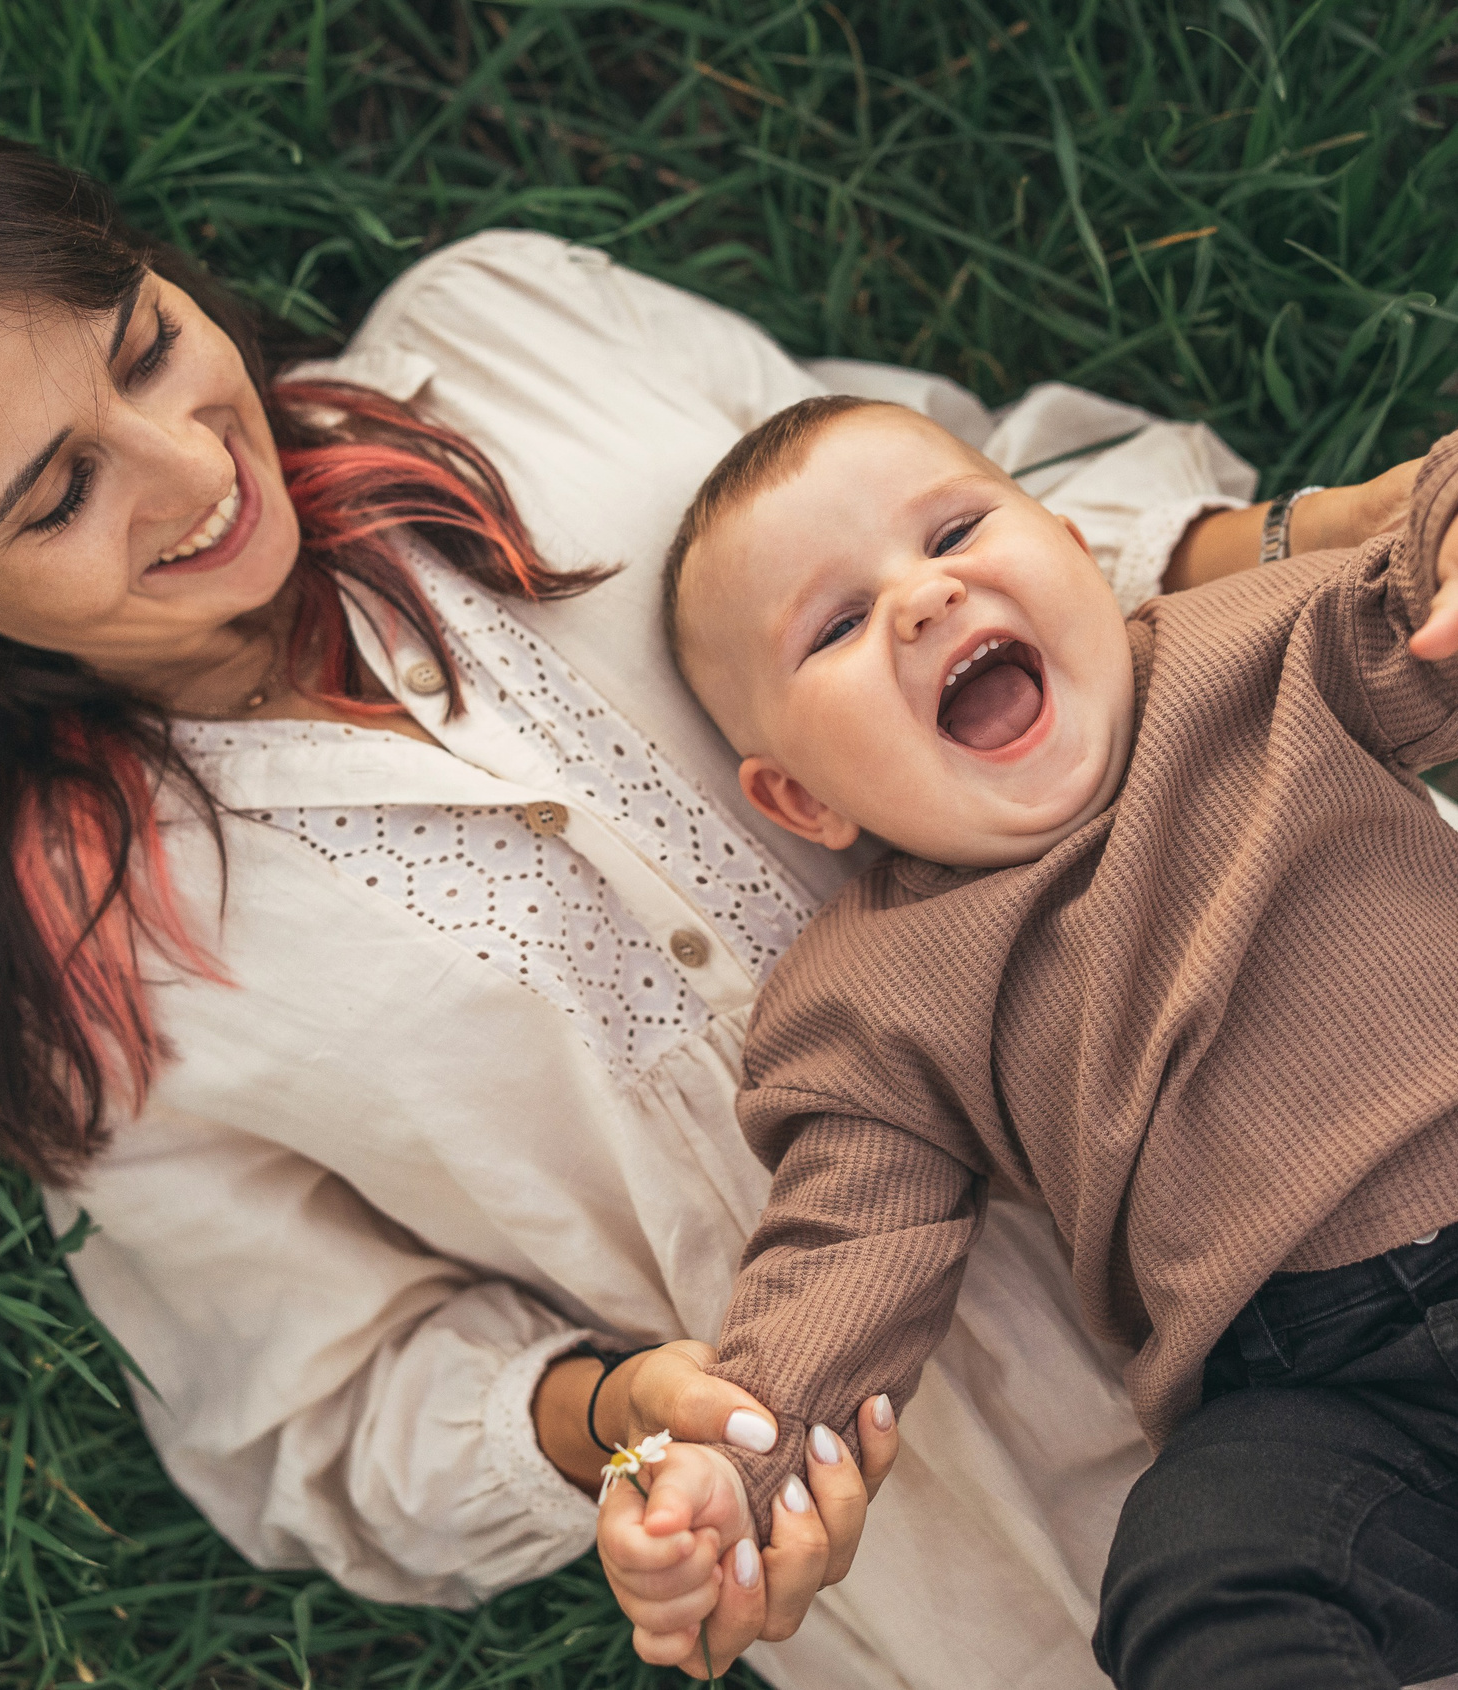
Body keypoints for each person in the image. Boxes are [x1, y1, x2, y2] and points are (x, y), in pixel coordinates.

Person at [0, 109, 1420, 1689]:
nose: (186, 466)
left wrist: (1340, 537)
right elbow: (318, 1408)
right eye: (57, 494)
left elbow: (976, 512)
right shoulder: (74, 975)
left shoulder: (516, 344)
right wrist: (616, 1419)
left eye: (143, 347)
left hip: (1380, 1132)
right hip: (1007, 1533)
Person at [624, 393, 1458, 1687]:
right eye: (836, 625)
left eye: (955, 532)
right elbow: (842, 1255)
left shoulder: (1260, 647)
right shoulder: (865, 995)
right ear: (800, 797)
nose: (924, 598)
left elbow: (1414, 585)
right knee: (1191, 1581)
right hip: (1329, 1399)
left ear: (1075, 554)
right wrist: (742, 1466)